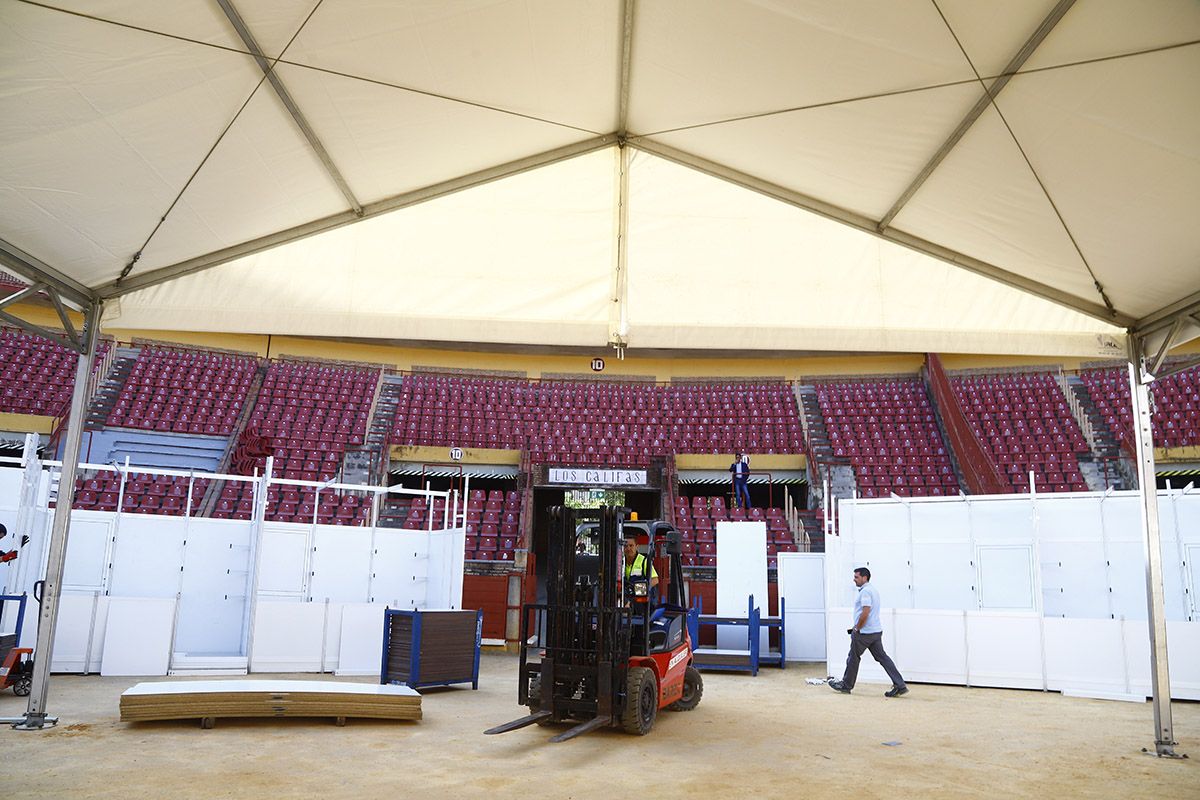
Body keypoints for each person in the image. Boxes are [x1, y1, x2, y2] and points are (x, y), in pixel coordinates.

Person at [829, 567, 908, 697]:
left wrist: (857, 628)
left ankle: (846, 685)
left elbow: (866, 612)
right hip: (876, 631)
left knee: (853, 658)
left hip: (864, 633)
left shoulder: (865, 592)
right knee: (883, 658)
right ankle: (900, 685)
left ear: (864, 577)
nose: (854, 580)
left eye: (856, 577)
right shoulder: (873, 590)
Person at [623, 532, 658, 599]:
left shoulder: (644, 561)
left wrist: (637, 590)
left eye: (631, 545)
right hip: (624, 596)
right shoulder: (620, 562)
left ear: (637, 546)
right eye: (625, 546)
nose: (628, 549)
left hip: (639, 598)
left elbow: (655, 580)